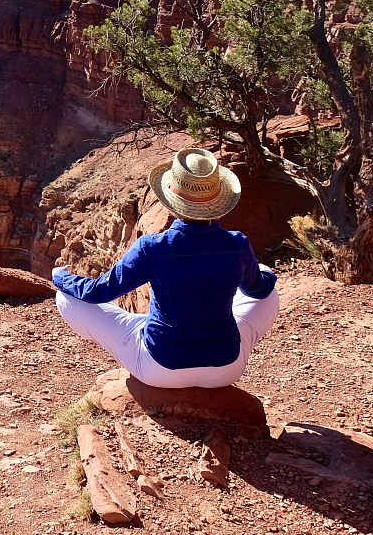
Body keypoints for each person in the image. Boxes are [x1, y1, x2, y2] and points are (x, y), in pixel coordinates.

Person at [51, 147, 279, 389]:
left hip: (161, 368)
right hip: (224, 369)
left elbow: (100, 292)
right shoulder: (237, 244)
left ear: (171, 200)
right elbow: (260, 291)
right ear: (216, 201)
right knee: (269, 289)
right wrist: (268, 274)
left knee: (65, 296)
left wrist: (61, 277)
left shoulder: (152, 247)